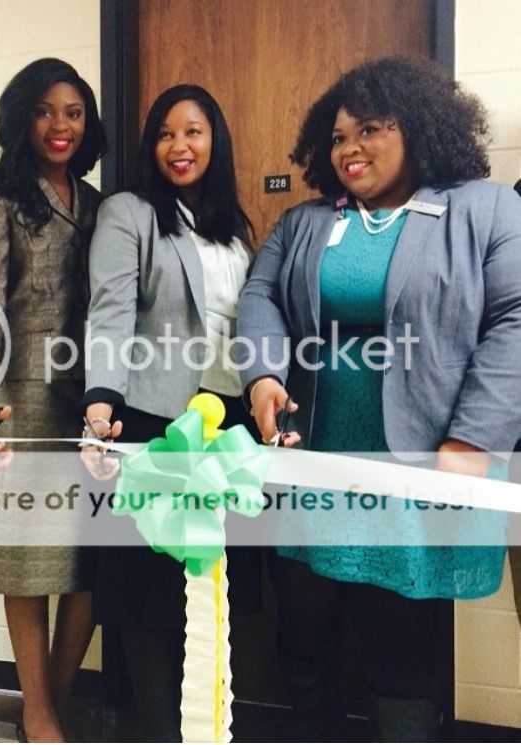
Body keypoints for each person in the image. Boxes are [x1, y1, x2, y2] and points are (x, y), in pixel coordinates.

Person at [238, 56, 521, 741]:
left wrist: (473, 438)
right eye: (337, 137)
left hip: (422, 459)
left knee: (402, 637)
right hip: (317, 456)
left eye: (368, 129)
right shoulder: (305, 222)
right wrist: (264, 374)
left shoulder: (483, 207)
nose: (349, 149)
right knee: (305, 624)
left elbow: (515, 317)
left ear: (419, 127)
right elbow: (260, 296)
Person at [83, 84, 259, 742]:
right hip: (154, 420)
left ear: (216, 142)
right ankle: (158, 731)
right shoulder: (131, 212)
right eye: (165, 133)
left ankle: (210, 727)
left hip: (228, 426)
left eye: (193, 132)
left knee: (215, 584)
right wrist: (101, 401)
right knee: (150, 597)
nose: (178, 146)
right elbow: (110, 309)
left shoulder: (233, 227)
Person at [0, 58, 107, 743]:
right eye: (46, 111)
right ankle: (37, 706)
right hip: (20, 395)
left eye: (73, 112)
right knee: (28, 554)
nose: (60, 126)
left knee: (91, 557)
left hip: (97, 398)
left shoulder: (100, 201)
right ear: (23, 115)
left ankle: (61, 689)